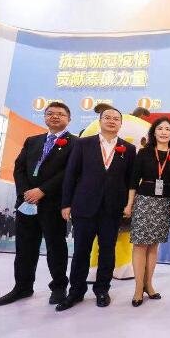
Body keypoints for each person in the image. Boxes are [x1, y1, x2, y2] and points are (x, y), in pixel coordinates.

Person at [0, 102, 76, 306]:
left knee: (56, 247)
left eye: (60, 114)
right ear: (45, 117)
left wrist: (42, 190)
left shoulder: (76, 143)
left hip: (53, 204)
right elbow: (19, 168)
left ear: (69, 119)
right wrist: (26, 193)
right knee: (24, 247)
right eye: (50, 113)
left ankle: (58, 287)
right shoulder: (32, 141)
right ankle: (22, 287)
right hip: (27, 203)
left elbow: (69, 172)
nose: (55, 116)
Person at [56, 107, 136, 311]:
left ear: (120, 124)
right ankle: (75, 291)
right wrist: (66, 204)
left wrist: (128, 205)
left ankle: (102, 290)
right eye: (107, 117)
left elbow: (130, 181)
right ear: (100, 121)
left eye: (116, 118)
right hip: (84, 207)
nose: (111, 121)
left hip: (112, 209)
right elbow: (71, 175)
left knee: (107, 251)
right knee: (81, 251)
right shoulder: (83, 143)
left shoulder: (128, 148)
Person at [126, 117, 170, 307]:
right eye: (160, 129)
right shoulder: (144, 152)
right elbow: (133, 180)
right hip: (144, 201)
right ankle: (137, 288)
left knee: (153, 246)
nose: (164, 132)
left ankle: (148, 285)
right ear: (154, 132)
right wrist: (129, 204)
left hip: (165, 203)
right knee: (140, 244)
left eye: (168, 129)